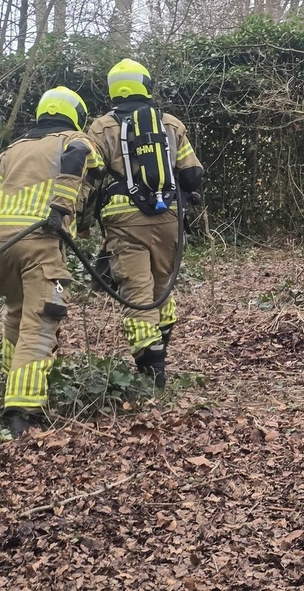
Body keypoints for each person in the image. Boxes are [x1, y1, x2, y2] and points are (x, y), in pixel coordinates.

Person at [0, 86, 103, 439]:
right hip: (40, 242)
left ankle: (13, 390)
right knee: (41, 321)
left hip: (1, 246)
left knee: (15, 313)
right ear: (76, 114)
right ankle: (23, 412)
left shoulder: (13, 151)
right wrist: (62, 210)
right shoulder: (75, 140)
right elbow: (82, 166)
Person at [85, 58, 203, 389]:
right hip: (168, 219)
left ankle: (152, 375)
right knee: (162, 289)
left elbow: (88, 175)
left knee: (138, 294)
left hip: (123, 221)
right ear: (145, 85)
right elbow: (192, 174)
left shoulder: (100, 128)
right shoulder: (171, 124)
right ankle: (159, 358)